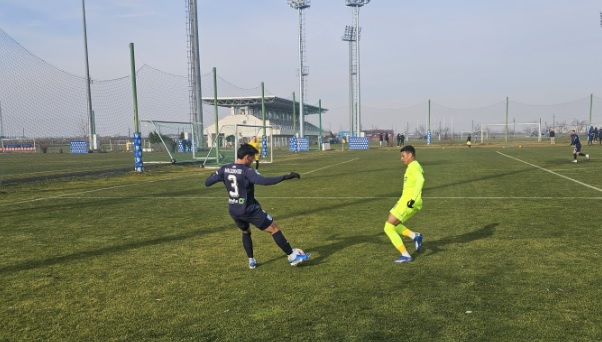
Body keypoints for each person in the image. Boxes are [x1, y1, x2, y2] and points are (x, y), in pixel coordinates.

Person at [205, 143, 310, 269]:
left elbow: (208, 182)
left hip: (234, 210)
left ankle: (251, 261)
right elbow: (263, 181)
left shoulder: (224, 169)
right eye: (252, 158)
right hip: (249, 209)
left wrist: (217, 175)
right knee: (274, 229)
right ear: (247, 157)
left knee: (245, 231)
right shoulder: (246, 171)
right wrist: (285, 177)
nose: (253, 161)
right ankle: (293, 256)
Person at [383, 145, 424, 263]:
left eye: (403, 156)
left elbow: (421, 180)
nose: (401, 158)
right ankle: (414, 236)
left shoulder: (413, 167)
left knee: (388, 228)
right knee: (393, 226)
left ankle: (405, 255)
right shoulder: (413, 166)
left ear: (410, 155)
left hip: (408, 202)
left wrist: (412, 198)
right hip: (408, 201)